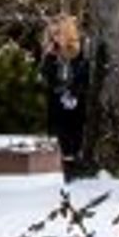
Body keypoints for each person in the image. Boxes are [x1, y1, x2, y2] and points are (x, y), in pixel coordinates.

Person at [39, 14, 98, 181]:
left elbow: (84, 77)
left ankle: (75, 167)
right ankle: (66, 169)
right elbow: (47, 78)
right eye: (52, 34)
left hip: (78, 103)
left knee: (75, 136)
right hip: (57, 103)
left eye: (58, 33)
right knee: (61, 137)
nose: (55, 37)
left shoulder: (81, 53)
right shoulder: (51, 54)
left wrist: (74, 93)